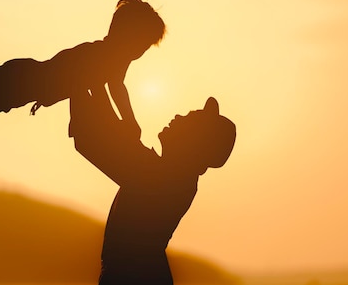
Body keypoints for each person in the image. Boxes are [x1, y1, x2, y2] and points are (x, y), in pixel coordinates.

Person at [0, 0, 165, 138]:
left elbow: (115, 88)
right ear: (127, 38)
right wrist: (123, 126)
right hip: (25, 82)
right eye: (141, 45)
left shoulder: (109, 56)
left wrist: (128, 123)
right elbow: (101, 90)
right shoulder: (104, 58)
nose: (140, 52)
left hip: (25, 78)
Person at [69, 88, 236, 285]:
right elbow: (109, 136)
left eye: (189, 119)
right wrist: (91, 84)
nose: (178, 116)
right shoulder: (173, 176)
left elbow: (90, 140)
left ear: (193, 143)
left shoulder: (163, 177)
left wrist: (79, 81)